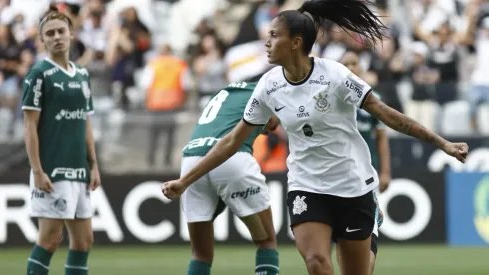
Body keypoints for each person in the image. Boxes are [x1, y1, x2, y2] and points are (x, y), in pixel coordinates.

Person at [162, 1, 469, 275]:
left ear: (295, 43)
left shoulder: (335, 76)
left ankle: (370, 225)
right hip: (306, 186)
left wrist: (442, 143)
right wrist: (185, 181)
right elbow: (231, 141)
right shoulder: (267, 86)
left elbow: (388, 115)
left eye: (273, 36)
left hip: (352, 184)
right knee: (317, 262)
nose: (266, 42)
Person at [22, 5, 100, 275]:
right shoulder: (38, 75)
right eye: (50, 33)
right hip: (53, 170)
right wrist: (37, 170)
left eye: (61, 31)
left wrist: (94, 164)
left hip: (79, 169)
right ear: (42, 40)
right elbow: (30, 125)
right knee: (50, 239)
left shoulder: (82, 74)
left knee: (84, 241)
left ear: (71, 34)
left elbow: (85, 120)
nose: (56, 37)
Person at [179, 79, 280, 275]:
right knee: (266, 241)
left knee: (200, 254)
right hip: (231, 157)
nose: (270, 131)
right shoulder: (268, 92)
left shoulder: (227, 93)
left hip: (191, 160)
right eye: (275, 123)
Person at [338, 51, 391, 274]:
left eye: (354, 63)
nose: (351, 67)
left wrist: (386, 172)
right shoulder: (334, 98)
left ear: (361, 66)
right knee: (343, 240)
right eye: (346, 64)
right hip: (336, 177)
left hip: (365, 177)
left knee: (365, 238)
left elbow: (381, 139)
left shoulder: (373, 99)